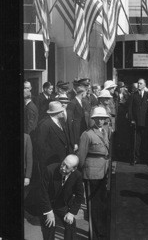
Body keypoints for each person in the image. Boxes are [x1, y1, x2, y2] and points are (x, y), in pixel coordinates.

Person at [77, 107, 112, 240]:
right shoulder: (87, 134)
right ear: (94, 119)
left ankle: (101, 232)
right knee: (94, 206)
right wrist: (82, 174)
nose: (100, 121)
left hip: (103, 171)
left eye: (103, 118)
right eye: (98, 118)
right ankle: (94, 236)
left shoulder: (106, 131)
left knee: (102, 204)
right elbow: (81, 156)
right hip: (91, 173)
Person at [38, 155, 85, 240]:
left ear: (73, 169)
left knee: (71, 223)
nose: (63, 168)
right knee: (49, 224)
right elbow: (43, 192)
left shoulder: (77, 175)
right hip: (48, 204)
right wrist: (48, 212)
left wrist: (72, 213)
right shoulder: (49, 170)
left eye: (67, 167)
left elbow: (80, 195)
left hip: (62, 205)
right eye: (63, 164)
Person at [35, 101, 73, 168]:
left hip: (62, 159)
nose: (63, 112)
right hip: (51, 161)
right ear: (56, 112)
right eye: (61, 111)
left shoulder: (61, 121)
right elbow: (40, 145)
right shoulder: (45, 125)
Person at [128, 78, 148, 165]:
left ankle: (144, 157)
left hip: (146, 122)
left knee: (145, 140)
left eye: (141, 83)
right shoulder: (133, 95)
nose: (139, 85)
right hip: (136, 122)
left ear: (144, 85)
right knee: (136, 141)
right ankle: (135, 158)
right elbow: (130, 109)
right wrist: (132, 119)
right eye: (138, 83)